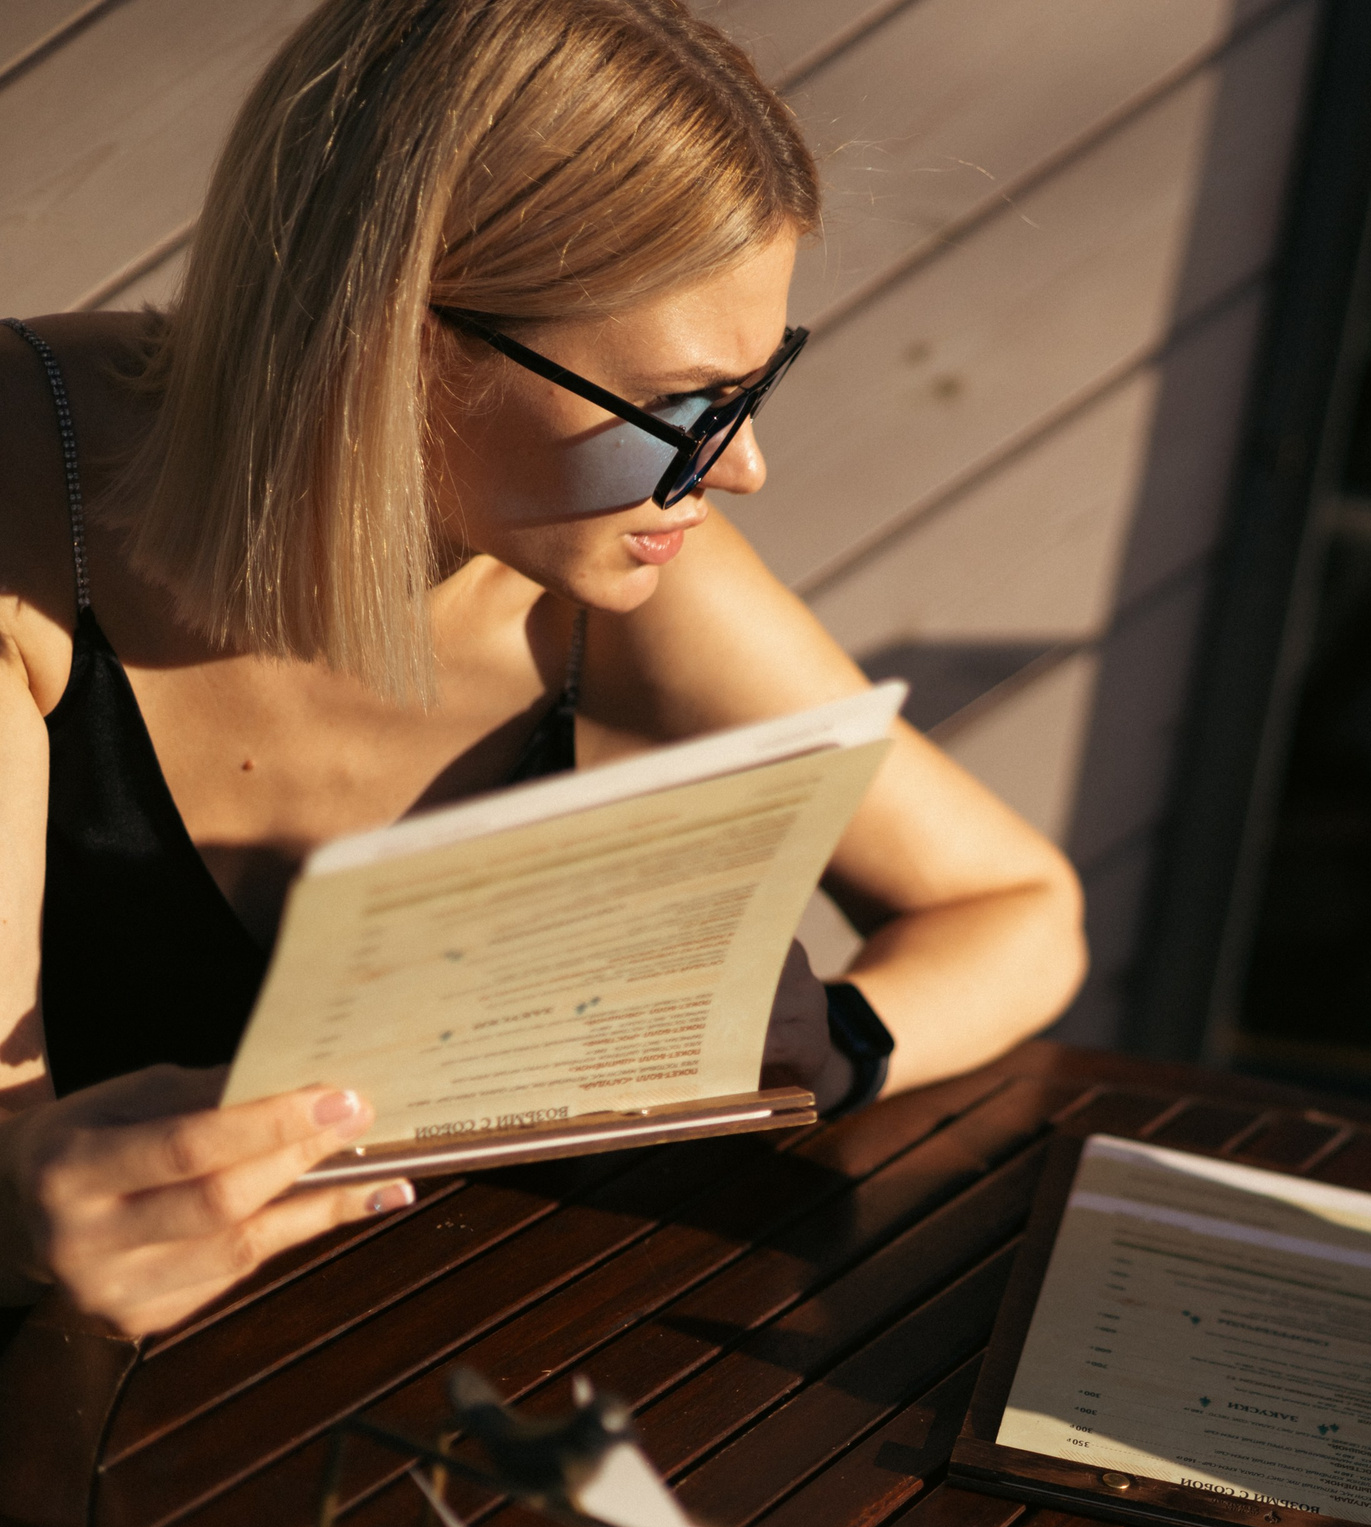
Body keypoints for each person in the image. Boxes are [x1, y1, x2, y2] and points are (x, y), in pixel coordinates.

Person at [0, 0, 1084, 1340]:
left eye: (758, 385)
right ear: (393, 339)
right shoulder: (24, 516)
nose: (740, 468)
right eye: (683, 409)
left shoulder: (595, 558)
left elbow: (1021, 900)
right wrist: (32, 1214)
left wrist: (845, 1041)